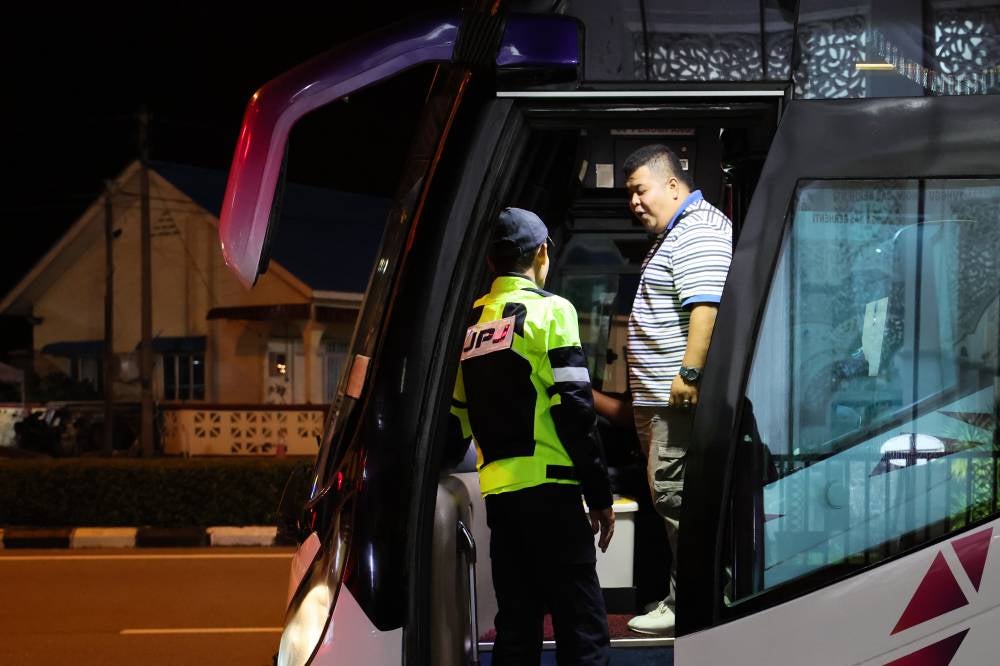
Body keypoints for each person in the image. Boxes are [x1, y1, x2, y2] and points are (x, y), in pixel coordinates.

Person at [449, 207, 615, 666]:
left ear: (490, 263)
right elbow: (576, 409)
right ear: (541, 253)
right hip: (555, 496)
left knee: (516, 630)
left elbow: (456, 419)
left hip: (502, 501)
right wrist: (600, 495)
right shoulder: (551, 310)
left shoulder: (472, 322)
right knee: (582, 631)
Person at [619, 145, 733, 635]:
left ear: (671, 184)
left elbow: (705, 308)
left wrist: (688, 376)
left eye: (640, 190)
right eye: (630, 195)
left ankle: (689, 604)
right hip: (663, 403)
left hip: (677, 402)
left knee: (677, 500)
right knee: (673, 501)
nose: (635, 203)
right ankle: (690, 596)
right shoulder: (679, 231)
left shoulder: (697, 231)